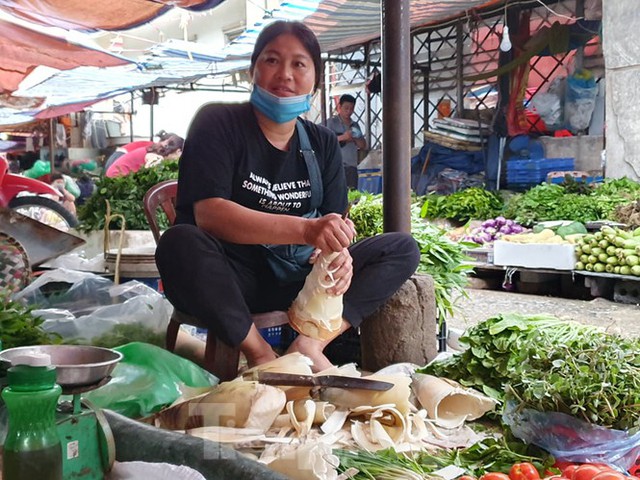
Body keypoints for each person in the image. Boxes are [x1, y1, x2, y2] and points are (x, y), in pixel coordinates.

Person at [155, 20, 420, 373]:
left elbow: (334, 222)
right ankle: (260, 354)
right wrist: (307, 231)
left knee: (401, 248)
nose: (285, 74)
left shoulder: (322, 142)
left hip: (296, 279)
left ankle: (310, 344)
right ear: (253, 70)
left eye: (299, 64)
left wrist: (339, 256)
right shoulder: (217, 122)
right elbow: (210, 214)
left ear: (315, 80)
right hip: (231, 279)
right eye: (271, 60)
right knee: (180, 241)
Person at [324, 94, 367, 190]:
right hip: (336, 167)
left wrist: (356, 138)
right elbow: (324, 142)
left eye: (351, 109)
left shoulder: (355, 125)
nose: (349, 111)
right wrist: (343, 137)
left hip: (351, 166)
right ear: (339, 107)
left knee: (352, 195)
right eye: (346, 108)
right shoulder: (331, 123)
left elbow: (363, 145)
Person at [105, 135, 184, 178]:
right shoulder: (156, 157)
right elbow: (147, 176)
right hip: (116, 177)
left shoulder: (153, 149)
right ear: (178, 151)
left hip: (114, 172)